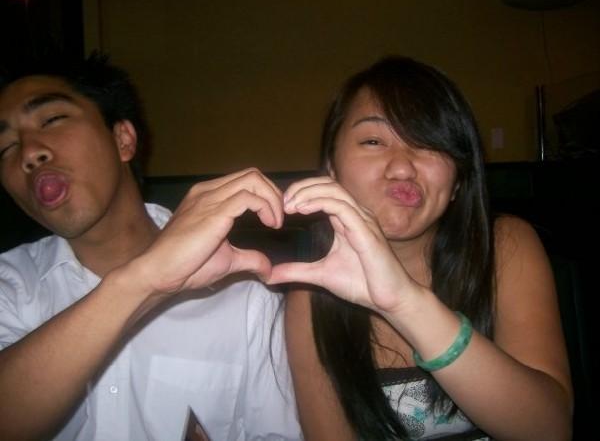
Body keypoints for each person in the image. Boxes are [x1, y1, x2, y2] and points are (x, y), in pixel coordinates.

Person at [0, 52, 301, 440]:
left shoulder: (243, 294)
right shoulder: (10, 285)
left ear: (123, 139)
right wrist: (144, 280)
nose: (28, 153)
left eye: (52, 120)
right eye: (5, 147)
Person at [269, 56, 573, 440]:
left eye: (428, 144)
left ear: (458, 180)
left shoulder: (506, 246)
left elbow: (549, 429)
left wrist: (405, 302)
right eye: (373, 141)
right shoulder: (312, 298)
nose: (402, 168)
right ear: (332, 168)